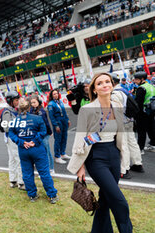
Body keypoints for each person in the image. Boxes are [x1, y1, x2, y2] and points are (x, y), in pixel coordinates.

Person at [67, 73, 133, 233]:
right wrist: (80, 166)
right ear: (94, 89)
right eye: (100, 83)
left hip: (113, 154)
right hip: (96, 157)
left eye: (107, 82)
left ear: (112, 85)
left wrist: (124, 157)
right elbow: (81, 138)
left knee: (105, 199)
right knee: (120, 201)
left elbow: (121, 135)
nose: (105, 85)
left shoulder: (116, 105)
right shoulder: (87, 110)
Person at [9, 99, 58, 203]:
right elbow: (43, 131)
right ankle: (52, 195)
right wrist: (34, 141)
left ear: (19, 109)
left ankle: (32, 195)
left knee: (27, 173)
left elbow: (11, 134)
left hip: (24, 150)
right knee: (44, 172)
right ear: (29, 108)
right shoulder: (37, 118)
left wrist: (22, 142)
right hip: (37, 149)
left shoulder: (15, 121)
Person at [111, 75, 144, 179]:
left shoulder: (114, 94)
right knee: (132, 142)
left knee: (123, 145)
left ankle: (124, 169)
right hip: (130, 120)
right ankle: (137, 163)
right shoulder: (124, 89)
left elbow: (117, 111)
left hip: (122, 121)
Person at [2, 91, 25, 190]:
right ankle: (21, 182)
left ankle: (13, 180)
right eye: (16, 100)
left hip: (12, 137)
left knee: (12, 159)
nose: (18, 101)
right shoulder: (7, 111)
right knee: (18, 159)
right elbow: (6, 127)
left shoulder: (14, 110)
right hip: (12, 138)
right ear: (10, 101)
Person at [29, 95, 54, 173]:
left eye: (34, 102)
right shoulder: (31, 111)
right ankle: (43, 168)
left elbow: (46, 123)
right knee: (39, 152)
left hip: (44, 134)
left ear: (38, 102)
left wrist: (50, 132)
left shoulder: (41, 111)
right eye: (32, 103)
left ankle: (51, 168)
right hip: (36, 134)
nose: (33, 104)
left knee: (46, 151)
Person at [133, 71, 155, 153]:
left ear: (142, 79)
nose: (134, 81)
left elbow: (138, 103)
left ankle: (140, 148)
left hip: (142, 112)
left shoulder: (141, 88)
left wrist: (135, 114)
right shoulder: (151, 86)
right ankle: (153, 144)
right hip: (152, 111)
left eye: (136, 79)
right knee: (151, 128)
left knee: (141, 131)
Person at [47, 89, 71, 164]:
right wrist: (56, 125)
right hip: (58, 122)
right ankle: (57, 156)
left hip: (64, 121)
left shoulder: (60, 102)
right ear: (51, 95)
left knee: (64, 137)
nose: (56, 95)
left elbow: (64, 112)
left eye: (56, 93)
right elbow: (51, 116)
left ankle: (62, 153)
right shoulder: (51, 104)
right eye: (54, 94)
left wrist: (68, 120)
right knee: (58, 140)